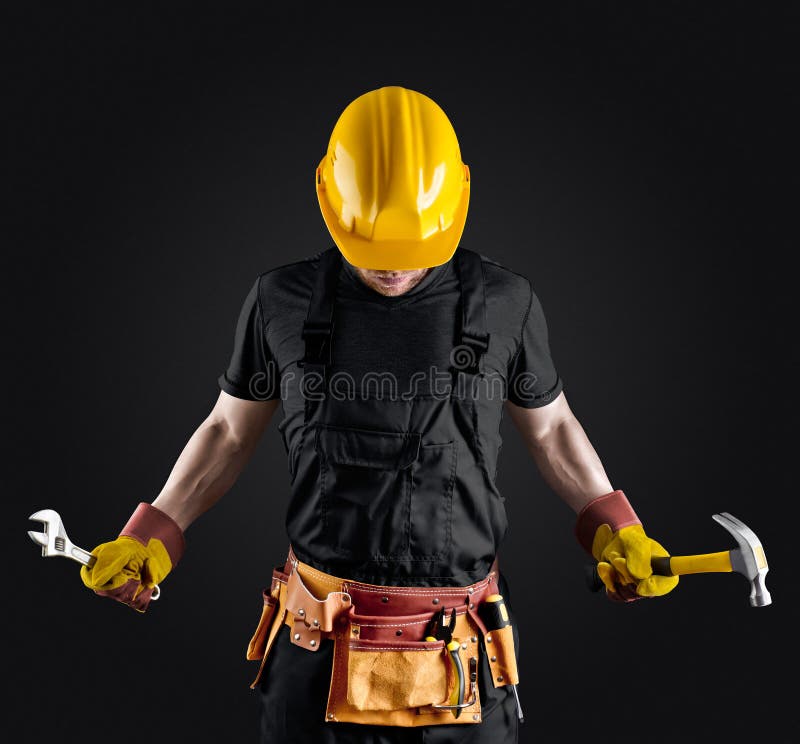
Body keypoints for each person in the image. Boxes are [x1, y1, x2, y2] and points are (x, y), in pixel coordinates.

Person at [79, 86, 679, 743]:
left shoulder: (506, 301)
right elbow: (227, 430)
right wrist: (153, 534)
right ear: (329, 202)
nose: (393, 264)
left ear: (457, 202)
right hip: (315, 658)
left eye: (414, 246)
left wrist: (616, 526)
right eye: (373, 245)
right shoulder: (280, 299)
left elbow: (554, 428)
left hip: (463, 663)